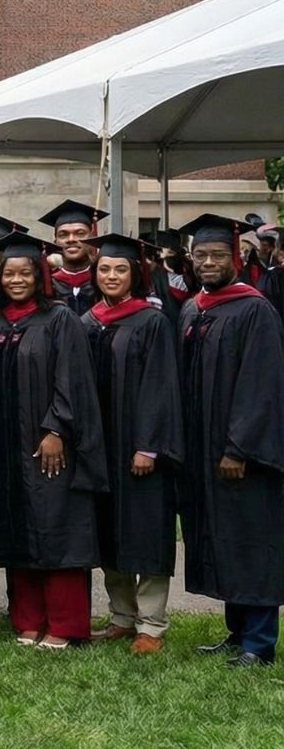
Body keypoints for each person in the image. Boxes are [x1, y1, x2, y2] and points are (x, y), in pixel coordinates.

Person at [0, 230, 106, 649]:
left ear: (39, 276)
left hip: (45, 444)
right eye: (8, 273)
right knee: (17, 524)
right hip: (3, 446)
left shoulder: (59, 319)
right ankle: (28, 620)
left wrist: (57, 429)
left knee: (56, 526)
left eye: (24, 272)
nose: (16, 279)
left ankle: (66, 625)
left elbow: (73, 379)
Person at [174, 214, 284, 668]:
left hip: (242, 454)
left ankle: (259, 642)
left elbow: (262, 384)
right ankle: (237, 634)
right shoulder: (192, 309)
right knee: (223, 539)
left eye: (218, 255)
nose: (208, 262)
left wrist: (238, 447)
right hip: (204, 450)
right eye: (201, 255)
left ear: (236, 258)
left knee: (252, 540)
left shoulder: (254, 309)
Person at [80, 234, 183, 655]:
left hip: (139, 450)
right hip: (101, 447)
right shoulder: (88, 321)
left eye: (120, 269)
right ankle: (122, 616)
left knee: (145, 532)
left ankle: (152, 624)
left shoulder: (151, 321)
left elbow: (160, 388)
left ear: (135, 274)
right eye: (104, 269)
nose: (111, 276)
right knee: (109, 533)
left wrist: (148, 446)